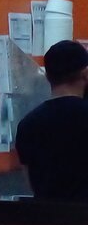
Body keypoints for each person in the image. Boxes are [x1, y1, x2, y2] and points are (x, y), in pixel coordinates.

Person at [16, 40, 88, 202]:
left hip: (47, 216)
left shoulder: (27, 125)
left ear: (47, 77)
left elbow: (30, 183)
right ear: (85, 74)